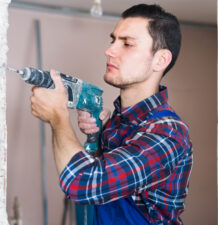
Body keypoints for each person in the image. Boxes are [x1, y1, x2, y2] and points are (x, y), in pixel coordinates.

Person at [30, 4, 193, 225]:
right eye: (113, 40)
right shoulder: (117, 121)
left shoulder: (167, 132)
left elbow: (83, 184)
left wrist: (58, 117)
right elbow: (111, 188)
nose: (110, 51)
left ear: (160, 60)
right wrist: (97, 143)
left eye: (127, 44)